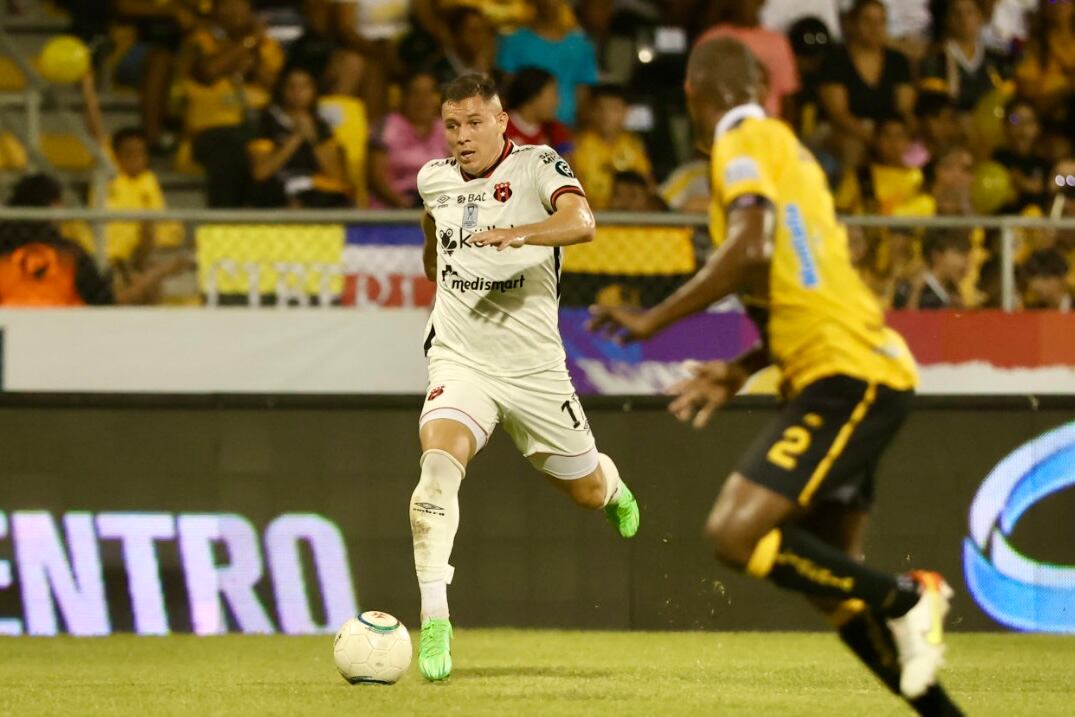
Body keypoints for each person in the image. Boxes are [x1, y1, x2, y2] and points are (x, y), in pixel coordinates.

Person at [588, 38, 963, 717]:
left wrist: (654, 319)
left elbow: (751, 249)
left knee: (734, 533)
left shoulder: (738, 144)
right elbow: (788, 283)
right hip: (847, 365)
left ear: (694, 98)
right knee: (830, 583)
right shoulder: (788, 157)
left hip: (847, 375)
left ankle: (911, 595)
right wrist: (738, 368)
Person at [410, 72, 640, 682]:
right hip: (460, 358)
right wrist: (436, 261)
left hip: (535, 369)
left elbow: (582, 222)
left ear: (502, 120)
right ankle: (435, 620)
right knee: (436, 470)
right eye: (452, 125)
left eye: (474, 123)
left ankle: (612, 484)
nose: (462, 137)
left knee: (585, 491)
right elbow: (434, 230)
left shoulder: (539, 166)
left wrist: (518, 233)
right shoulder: (433, 178)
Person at [183, 0, 284, 207]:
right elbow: (209, 71)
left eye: (240, 4)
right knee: (229, 157)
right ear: (215, 11)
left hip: (260, 128)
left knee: (273, 165)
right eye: (226, 5)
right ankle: (223, 228)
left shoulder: (268, 46)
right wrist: (248, 42)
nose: (234, 11)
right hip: (213, 130)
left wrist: (253, 64)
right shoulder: (199, 41)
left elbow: (280, 87)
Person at [818, 0, 915, 166]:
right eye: (867, 21)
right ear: (853, 24)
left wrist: (894, 138)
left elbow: (904, 109)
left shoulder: (898, 61)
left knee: (919, 152)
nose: (874, 28)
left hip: (888, 129)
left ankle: (912, 189)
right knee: (853, 148)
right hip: (845, 129)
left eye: (880, 22)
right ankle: (858, 190)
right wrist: (873, 138)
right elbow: (838, 113)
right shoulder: (836, 60)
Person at [247, 66, 351, 208]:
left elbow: (337, 177)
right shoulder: (265, 122)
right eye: (291, 86)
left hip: (314, 192)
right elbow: (261, 172)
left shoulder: (321, 126)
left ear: (314, 91)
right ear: (282, 90)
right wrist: (295, 138)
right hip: (276, 190)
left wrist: (313, 139)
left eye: (304, 86)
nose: (297, 92)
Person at [495, 0, 599, 126]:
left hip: (566, 128)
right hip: (523, 130)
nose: (550, 3)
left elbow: (583, 96)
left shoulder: (582, 46)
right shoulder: (514, 42)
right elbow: (507, 87)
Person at [696, 0, 801, 120]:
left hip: (766, 129)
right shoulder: (711, 40)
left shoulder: (777, 42)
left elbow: (787, 99)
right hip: (726, 128)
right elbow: (699, 97)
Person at [367, 70, 448, 208]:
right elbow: (376, 177)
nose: (422, 100)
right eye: (415, 93)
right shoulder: (386, 126)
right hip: (393, 211)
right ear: (403, 97)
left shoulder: (448, 129)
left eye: (429, 93)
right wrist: (404, 204)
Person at [919, 0, 1011, 112]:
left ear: (980, 17)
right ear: (947, 19)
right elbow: (934, 107)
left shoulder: (998, 60)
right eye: (957, 13)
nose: (963, 20)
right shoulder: (935, 60)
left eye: (970, 12)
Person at [572, 84, 653, 210]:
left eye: (613, 109)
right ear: (590, 111)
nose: (606, 115)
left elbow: (647, 186)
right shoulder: (576, 145)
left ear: (626, 111)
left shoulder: (633, 145)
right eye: (600, 109)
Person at [836, 116, 926, 215]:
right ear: (876, 140)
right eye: (887, 136)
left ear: (909, 142)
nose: (893, 142)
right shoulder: (860, 175)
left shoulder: (917, 176)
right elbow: (840, 209)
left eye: (900, 136)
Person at [994, 97, 1051, 212]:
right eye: (1015, 120)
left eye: (1029, 121)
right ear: (1005, 125)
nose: (1022, 127)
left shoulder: (1045, 164)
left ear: (1038, 127)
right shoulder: (998, 159)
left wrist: (1023, 183)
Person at [893, 230, 973, 309]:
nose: (964, 264)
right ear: (937, 256)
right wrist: (915, 293)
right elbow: (904, 320)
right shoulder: (908, 289)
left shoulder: (953, 293)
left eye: (966, 256)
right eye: (960, 255)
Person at [504, 67, 573, 157]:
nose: (557, 102)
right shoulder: (500, 127)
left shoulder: (555, 130)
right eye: (552, 94)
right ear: (532, 96)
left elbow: (568, 166)